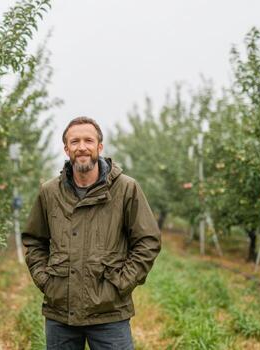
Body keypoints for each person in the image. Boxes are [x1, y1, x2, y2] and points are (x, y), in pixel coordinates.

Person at [22, 116, 161, 349]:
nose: (82, 147)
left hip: (110, 313)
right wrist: (46, 281)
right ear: (67, 149)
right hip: (61, 312)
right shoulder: (49, 192)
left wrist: (122, 283)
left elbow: (147, 241)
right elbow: (34, 240)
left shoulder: (126, 188)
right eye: (74, 142)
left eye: (88, 140)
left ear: (100, 146)